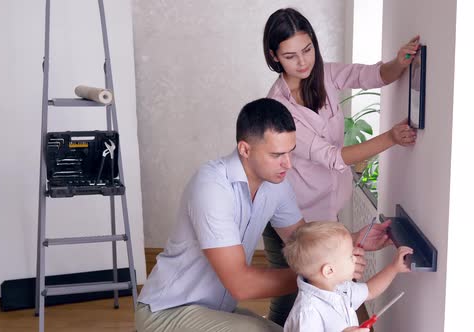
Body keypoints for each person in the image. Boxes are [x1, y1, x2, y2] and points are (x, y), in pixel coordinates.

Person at [135, 98, 391, 332]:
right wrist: (323, 273)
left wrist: (351, 241)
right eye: (277, 155)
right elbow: (241, 285)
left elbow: (304, 242)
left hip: (214, 309)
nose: (288, 164)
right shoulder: (211, 187)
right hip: (166, 312)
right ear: (245, 149)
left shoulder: (276, 184)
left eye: (291, 151)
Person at [261, 8, 419, 325]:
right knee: (294, 298)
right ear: (274, 56)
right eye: (291, 56)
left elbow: (374, 75)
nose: (303, 62)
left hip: (324, 211)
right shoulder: (279, 109)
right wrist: (390, 137)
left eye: (308, 50)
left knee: (334, 292)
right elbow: (333, 156)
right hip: (292, 214)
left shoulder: (327, 74)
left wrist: (400, 62)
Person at [282, 221, 413, 332]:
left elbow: (370, 290)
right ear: (329, 270)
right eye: (350, 256)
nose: (355, 259)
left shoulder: (340, 287)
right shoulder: (307, 312)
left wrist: (394, 268)